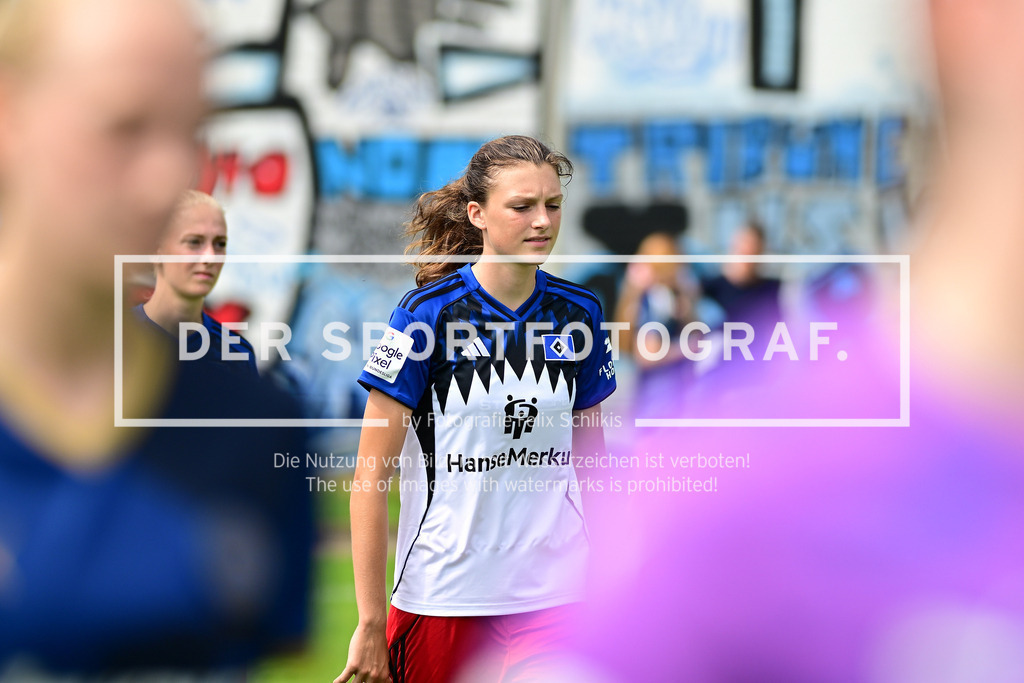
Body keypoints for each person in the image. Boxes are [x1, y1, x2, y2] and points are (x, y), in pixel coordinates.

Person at [563, 0, 1024, 680]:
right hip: (669, 429)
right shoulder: (746, 522)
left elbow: (709, 344)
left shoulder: (732, 297)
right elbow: (639, 347)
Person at [0, 0, 311, 676]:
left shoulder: (252, 420)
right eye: (124, 126)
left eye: (193, 131)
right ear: (9, 113)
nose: (166, 176)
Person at [336, 135, 617, 683]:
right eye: (522, 206)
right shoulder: (422, 316)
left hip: (560, 594)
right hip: (443, 596)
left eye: (552, 205)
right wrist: (370, 621)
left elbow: (596, 465)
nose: (542, 221)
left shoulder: (580, 313)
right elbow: (369, 477)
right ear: (477, 214)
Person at [135, 190, 259, 376]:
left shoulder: (236, 355)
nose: (210, 257)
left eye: (219, 244)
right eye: (194, 242)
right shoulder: (108, 342)